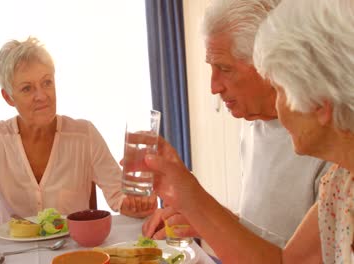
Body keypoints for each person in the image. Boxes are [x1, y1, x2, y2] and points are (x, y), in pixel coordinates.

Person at [143, 0, 354, 262]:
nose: (277, 107)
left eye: (279, 89)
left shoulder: (333, 167)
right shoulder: (338, 182)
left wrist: (195, 202)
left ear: (322, 102)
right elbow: (287, 261)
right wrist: (195, 205)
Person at [0, 36, 157, 232]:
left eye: (47, 82)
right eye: (27, 88)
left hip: (74, 254)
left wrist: (139, 203)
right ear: (8, 97)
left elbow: (119, 197)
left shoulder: (85, 135)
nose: (41, 96)